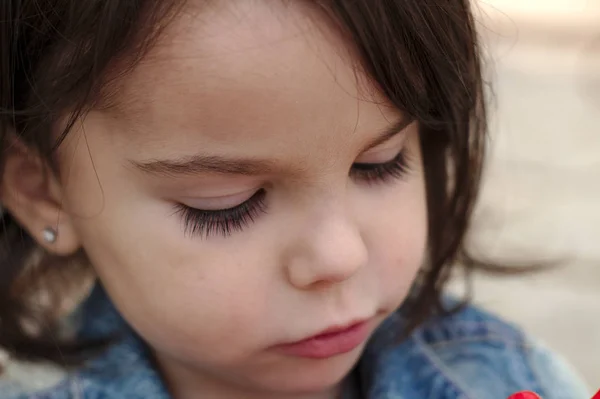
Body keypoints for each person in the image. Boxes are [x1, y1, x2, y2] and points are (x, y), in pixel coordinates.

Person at [0, 1, 591, 398]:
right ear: (42, 192)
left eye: (380, 165)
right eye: (226, 204)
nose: (339, 256)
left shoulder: (510, 375)